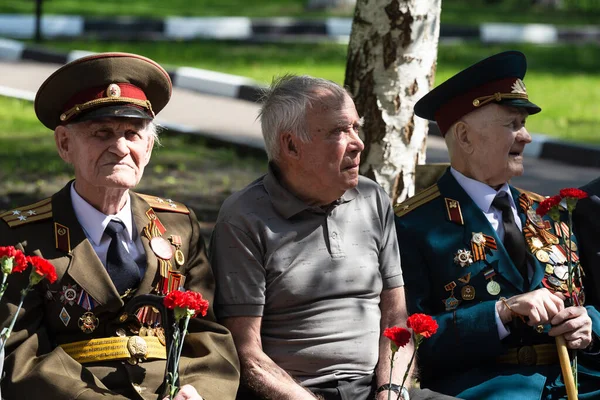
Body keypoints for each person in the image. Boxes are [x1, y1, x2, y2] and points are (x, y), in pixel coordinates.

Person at [0, 52, 240, 400]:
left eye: (132, 133)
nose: (120, 147)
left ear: (149, 146)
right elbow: (18, 353)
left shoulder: (177, 225)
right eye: (102, 133)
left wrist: (198, 391)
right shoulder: (21, 237)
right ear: (65, 144)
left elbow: (207, 334)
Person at [209, 74, 456, 400]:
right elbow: (247, 355)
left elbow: (396, 318)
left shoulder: (372, 198)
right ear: (291, 145)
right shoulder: (244, 217)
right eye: (340, 130)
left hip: (377, 386)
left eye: (356, 127)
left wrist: (390, 391)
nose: (358, 142)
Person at [395, 51, 600, 399]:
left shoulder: (549, 211)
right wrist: (501, 313)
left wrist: (590, 323)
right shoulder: (415, 224)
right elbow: (413, 343)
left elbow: (591, 299)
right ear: (464, 137)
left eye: (525, 123)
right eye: (513, 124)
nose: (527, 137)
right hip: (491, 388)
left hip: (578, 382)